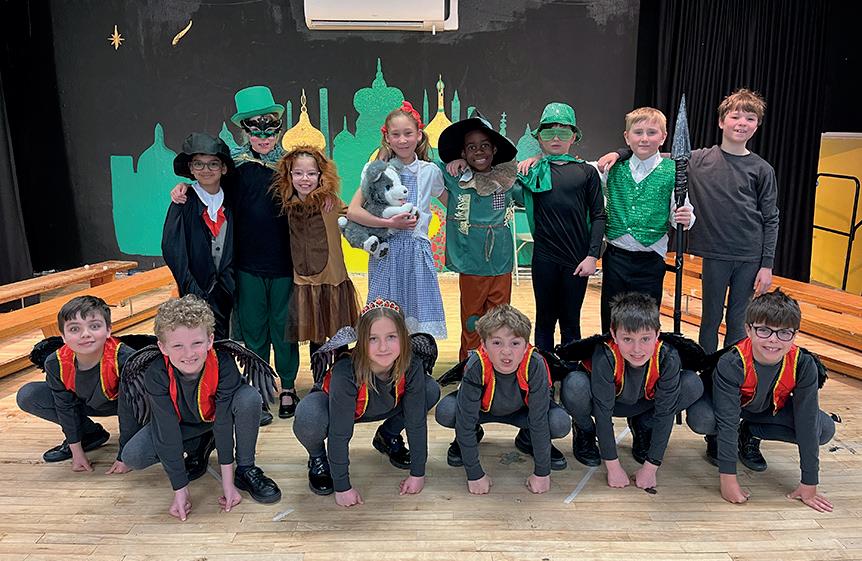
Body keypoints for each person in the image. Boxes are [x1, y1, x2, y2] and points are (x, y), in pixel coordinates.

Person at [599, 89, 779, 352]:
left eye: (750, 119)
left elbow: (771, 218)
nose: (742, 123)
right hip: (715, 253)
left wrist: (767, 264)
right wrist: (619, 153)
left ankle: (730, 369)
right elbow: (649, 153)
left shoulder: (762, 169)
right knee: (710, 320)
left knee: (738, 321)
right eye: (735, 117)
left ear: (757, 125)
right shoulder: (698, 159)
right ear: (721, 121)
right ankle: (706, 369)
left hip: (749, 254)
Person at [171, 86, 299, 421]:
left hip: (285, 263)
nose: (263, 137)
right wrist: (184, 187)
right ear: (245, 130)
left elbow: (315, 191)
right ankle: (259, 386)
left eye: (270, 129)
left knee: (284, 327)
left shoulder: (291, 167)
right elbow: (209, 188)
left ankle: (287, 385)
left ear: (279, 129)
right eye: (256, 130)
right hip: (246, 263)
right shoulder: (235, 168)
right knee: (254, 330)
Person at [122, 295, 281, 521]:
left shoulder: (223, 362)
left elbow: (223, 422)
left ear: (210, 340)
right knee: (133, 455)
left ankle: (245, 468)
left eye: (196, 343)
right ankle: (200, 444)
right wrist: (180, 490)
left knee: (249, 398)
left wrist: (227, 484)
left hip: (217, 418)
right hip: (183, 425)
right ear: (163, 347)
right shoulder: (156, 373)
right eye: (177, 346)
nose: (189, 354)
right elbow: (166, 430)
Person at [685, 290, 835, 512]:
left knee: (824, 429)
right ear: (748, 329)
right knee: (703, 418)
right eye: (764, 330)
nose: (773, 340)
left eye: (784, 333)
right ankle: (716, 439)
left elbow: (807, 420)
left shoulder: (803, 364)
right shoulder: (732, 362)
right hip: (727, 407)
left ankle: (751, 432)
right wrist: (728, 480)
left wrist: (809, 484)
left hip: (766, 407)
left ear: (795, 335)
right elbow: (728, 420)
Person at [292, 299, 440, 505]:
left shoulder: (411, 364)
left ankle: (387, 436)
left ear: (404, 338)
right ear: (361, 341)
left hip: (385, 405)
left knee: (430, 389)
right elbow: (340, 433)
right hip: (338, 411)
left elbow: (416, 423)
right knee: (309, 415)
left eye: (391, 337)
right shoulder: (346, 372)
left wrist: (418, 473)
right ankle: (318, 457)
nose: (383, 347)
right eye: (372, 338)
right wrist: (342, 487)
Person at [559, 293, 703, 491]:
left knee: (692, 383)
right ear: (613, 334)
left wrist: (651, 468)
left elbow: (666, 413)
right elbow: (603, 412)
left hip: (643, 403)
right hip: (605, 403)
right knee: (574, 384)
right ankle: (585, 430)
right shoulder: (605, 354)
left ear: (658, 334)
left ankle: (643, 425)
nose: (637, 349)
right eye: (627, 338)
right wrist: (613, 467)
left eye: (645, 339)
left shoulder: (668, 356)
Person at [435, 304, 571, 495]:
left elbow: (539, 419)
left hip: (523, 413)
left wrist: (542, 473)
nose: (506, 351)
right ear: (484, 345)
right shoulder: (476, 364)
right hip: (482, 411)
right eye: (497, 343)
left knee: (559, 422)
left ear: (526, 346)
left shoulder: (535, 364)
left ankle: (527, 439)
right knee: (447, 411)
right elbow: (465, 420)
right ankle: (471, 437)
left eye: (515, 343)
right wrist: (474, 474)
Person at [270, 145, 361, 417]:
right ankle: (320, 381)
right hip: (305, 283)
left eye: (311, 173)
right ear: (289, 175)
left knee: (339, 335)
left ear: (322, 175)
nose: (305, 179)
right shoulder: (285, 205)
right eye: (298, 173)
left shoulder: (330, 202)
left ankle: (343, 383)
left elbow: (354, 219)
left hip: (332, 281)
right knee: (316, 336)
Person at [346, 101, 447, 339]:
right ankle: (386, 359)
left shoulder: (429, 171)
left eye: (408, 133)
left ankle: (417, 360)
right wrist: (390, 224)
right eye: (396, 134)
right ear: (387, 138)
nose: (402, 140)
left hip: (416, 253)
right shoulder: (376, 171)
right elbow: (353, 212)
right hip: (386, 252)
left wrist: (458, 166)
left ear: (419, 135)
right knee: (385, 317)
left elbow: (452, 202)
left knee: (416, 320)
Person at [516, 102, 606, 351]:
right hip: (544, 257)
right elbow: (497, 174)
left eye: (563, 133)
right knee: (544, 320)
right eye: (549, 133)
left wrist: (592, 256)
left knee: (571, 321)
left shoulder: (587, 172)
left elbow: (599, 215)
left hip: (576, 259)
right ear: (539, 138)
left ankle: (570, 371)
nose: (556, 138)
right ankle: (544, 370)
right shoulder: (532, 172)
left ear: (573, 137)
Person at [596, 107, 694, 332]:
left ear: (663, 137)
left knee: (646, 322)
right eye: (638, 132)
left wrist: (685, 216)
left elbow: (681, 209)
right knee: (611, 319)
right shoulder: (611, 167)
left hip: (651, 261)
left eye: (651, 132)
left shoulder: (673, 171)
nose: (644, 138)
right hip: (616, 258)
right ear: (626, 137)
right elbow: (577, 170)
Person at [16, 296, 138, 473]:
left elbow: (130, 410)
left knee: (137, 453)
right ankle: (89, 434)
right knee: (28, 395)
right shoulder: (56, 362)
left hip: (131, 407)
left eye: (94, 326)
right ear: (63, 336)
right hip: (86, 403)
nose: (85, 334)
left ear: (108, 330)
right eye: (74, 329)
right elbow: (65, 406)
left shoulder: (126, 359)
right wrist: (77, 452)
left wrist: (124, 456)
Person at [436, 110, 520, 361]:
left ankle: (498, 363)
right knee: (472, 318)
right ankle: (470, 364)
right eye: (471, 147)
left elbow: (535, 180)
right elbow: (422, 162)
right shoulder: (455, 178)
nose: (479, 151)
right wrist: (453, 162)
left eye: (484, 145)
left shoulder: (506, 179)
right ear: (463, 152)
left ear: (494, 149)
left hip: (501, 262)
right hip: (471, 263)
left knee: (500, 318)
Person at [163, 133, 235, 339]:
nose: (206, 170)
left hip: (228, 289)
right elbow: (172, 248)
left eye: (213, 164)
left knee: (226, 339)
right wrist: (190, 286)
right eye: (199, 164)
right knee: (199, 336)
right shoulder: (183, 202)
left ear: (223, 168)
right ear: (191, 168)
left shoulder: (232, 200)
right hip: (196, 286)